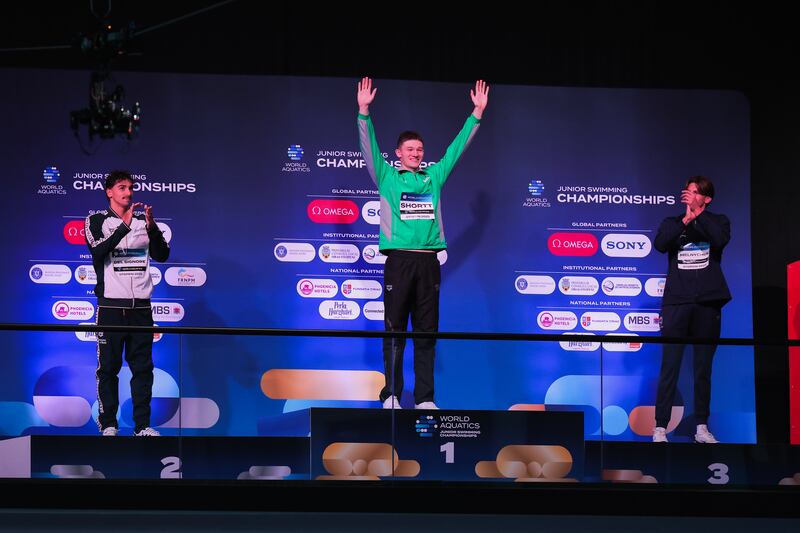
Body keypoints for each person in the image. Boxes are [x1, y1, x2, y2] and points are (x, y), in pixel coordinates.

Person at [356, 77, 489, 410]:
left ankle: (426, 399)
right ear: (398, 153)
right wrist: (364, 111)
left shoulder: (434, 176)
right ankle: (393, 395)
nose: (415, 154)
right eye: (409, 150)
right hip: (399, 262)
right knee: (394, 331)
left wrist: (476, 114)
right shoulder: (387, 176)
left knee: (427, 333)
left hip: (428, 263)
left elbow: (456, 149)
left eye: (419, 150)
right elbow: (368, 147)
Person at [85, 170, 170, 436]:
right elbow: (98, 251)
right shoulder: (96, 220)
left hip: (141, 309)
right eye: (122, 187)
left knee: (143, 369)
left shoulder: (144, 222)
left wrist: (152, 228)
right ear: (109, 192)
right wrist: (123, 225)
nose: (128, 192)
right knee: (108, 369)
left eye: (131, 187)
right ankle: (108, 424)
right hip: (111, 307)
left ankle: (142, 426)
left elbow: (162, 255)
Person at [652, 176, 731, 443]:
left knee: (702, 368)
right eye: (687, 191)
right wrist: (686, 220)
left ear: (706, 198)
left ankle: (701, 427)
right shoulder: (672, 223)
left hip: (707, 304)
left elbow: (719, 240)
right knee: (670, 366)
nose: (688, 194)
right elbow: (661, 244)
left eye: (695, 192)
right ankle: (660, 427)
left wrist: (698, 215)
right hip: (677, 304)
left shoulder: (717, 221)